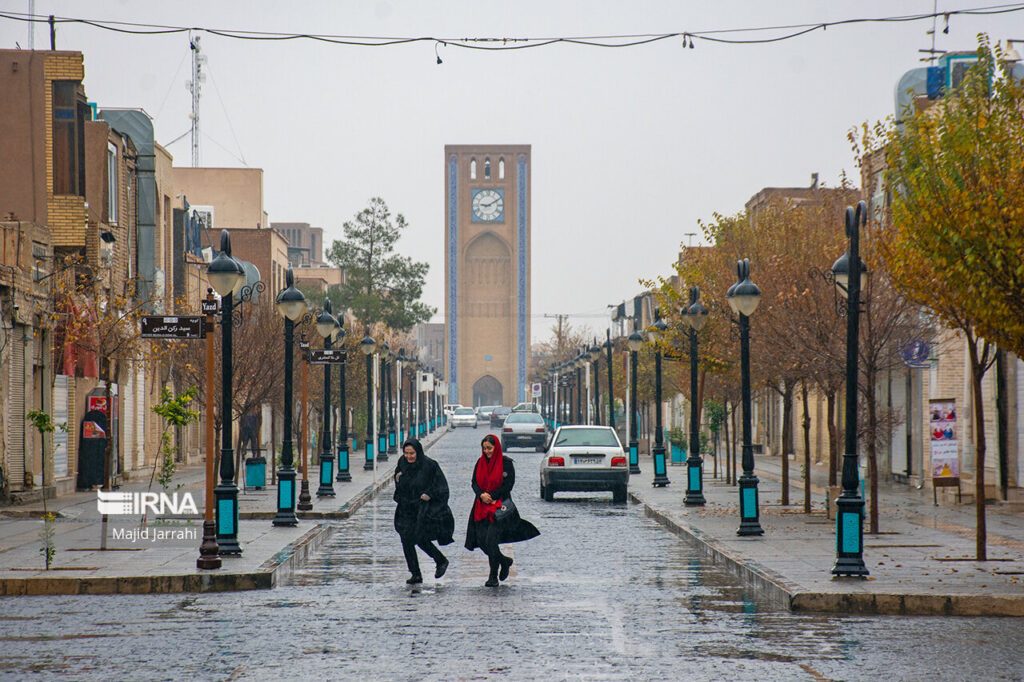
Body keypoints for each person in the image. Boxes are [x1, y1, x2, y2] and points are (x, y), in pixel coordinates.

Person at [465, 434, 540, 587]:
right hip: (481, 507)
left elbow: (508, 485)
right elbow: (474, 482)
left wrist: (491, 496)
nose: (487, 451)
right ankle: (504, 561)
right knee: (481, 541)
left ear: (496, 447)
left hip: (499, 507)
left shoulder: (506, 463)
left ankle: (493, 576)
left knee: (491, 540)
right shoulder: (480, 462)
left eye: (489, 448)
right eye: (484, 448)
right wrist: (481, 494)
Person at [393, 438, 455, 584]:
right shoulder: (402, 463)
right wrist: (397, 479)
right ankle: (415, 573)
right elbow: (400, 483)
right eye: (406, 453)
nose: (409, 456)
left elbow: (441, 487)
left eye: (412, 453)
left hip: (423, 509)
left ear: (418, 452)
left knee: (419, 537)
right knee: (406, 540)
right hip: (406, 508)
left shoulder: (430, 465)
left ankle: (440, 560)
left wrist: (429, 495)